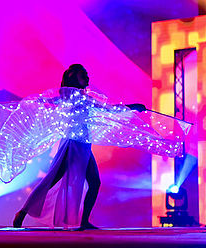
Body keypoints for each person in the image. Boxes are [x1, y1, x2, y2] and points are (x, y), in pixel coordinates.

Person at [11, 64, 147, 230]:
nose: (88, 78)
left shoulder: (83, 97)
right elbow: (50, 102)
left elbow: (109, 109)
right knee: (51, 179)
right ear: (74, 78)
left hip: (83, 146)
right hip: (73, 145)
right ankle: (23, 212)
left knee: (94, 183)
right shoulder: (69, 95)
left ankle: (83, 222)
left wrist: (131, 108)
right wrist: (32, 105)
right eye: (84, 75)